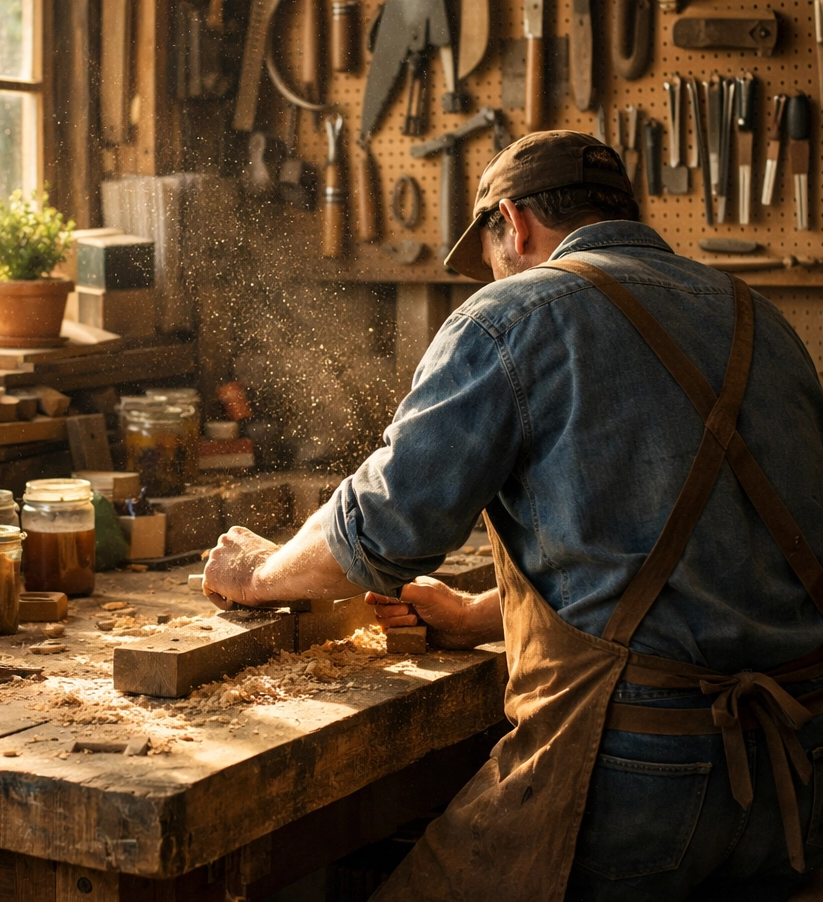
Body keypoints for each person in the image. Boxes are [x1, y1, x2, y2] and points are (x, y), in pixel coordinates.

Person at [203, 130, 823, 901]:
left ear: (514, 223)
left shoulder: (514, 315)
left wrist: (259, 573)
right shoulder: (762, 320)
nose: (491, 277)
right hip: (797, 771)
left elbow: (383, 532)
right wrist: (474, 617)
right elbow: (707, 555)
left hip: (634, 771)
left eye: (491, 255)